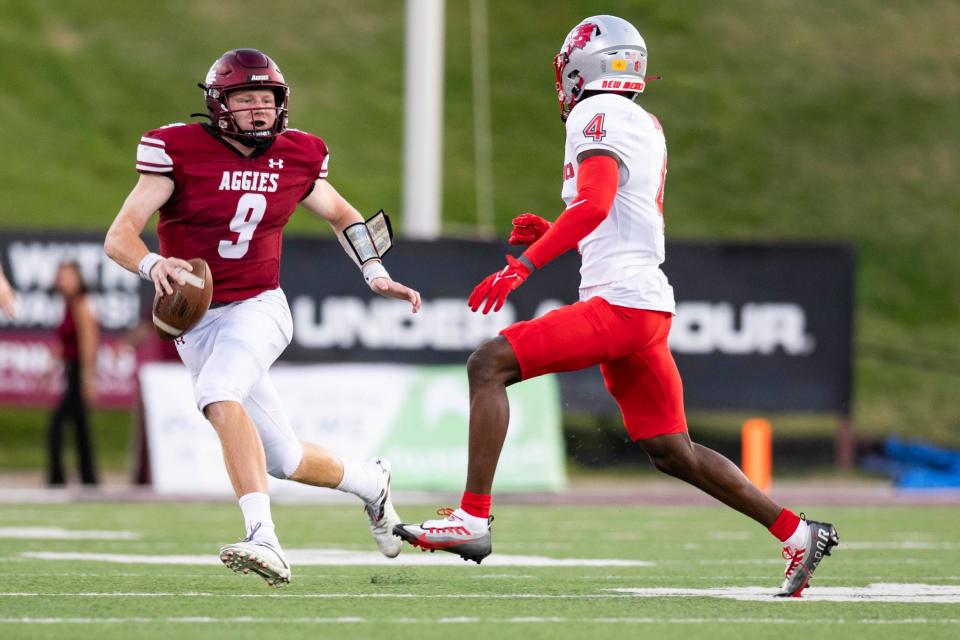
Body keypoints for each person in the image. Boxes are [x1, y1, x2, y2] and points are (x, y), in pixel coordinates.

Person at [394, 16, 838, 598]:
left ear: (580, 70)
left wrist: (523, 264)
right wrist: (554, 231)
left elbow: (597, 204)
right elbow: (616, 215)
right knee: (671, 451)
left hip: (622, 304)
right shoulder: (643, 121)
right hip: (645, 306)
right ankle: (797, 532)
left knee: (488, 365)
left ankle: (473, 519)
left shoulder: (593, 114)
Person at [104, 48, 421, 587]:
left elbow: (343, 214)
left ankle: (263, 538)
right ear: (219, 104)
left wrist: (373, 271)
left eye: (266, 98)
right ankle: (372, 483)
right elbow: (119, 237)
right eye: (245, 98)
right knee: (285, 457)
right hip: (197, 322)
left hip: (258, 307)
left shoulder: (297, 156)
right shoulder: (177, 151)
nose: (258, 109)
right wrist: (153, 263)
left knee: (218, 396)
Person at [45, 261, 99, 486]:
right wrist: (48, 370)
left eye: (69, 277)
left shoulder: (81, 305)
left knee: (57, 425)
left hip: (78, 373)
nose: (64, 281)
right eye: (62, 277)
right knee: (80, 428)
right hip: (70, 371)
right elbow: (62, 342)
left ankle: (58, 479)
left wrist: (88, 377)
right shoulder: (68, 304)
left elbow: (89, 342)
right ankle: (89, 479)